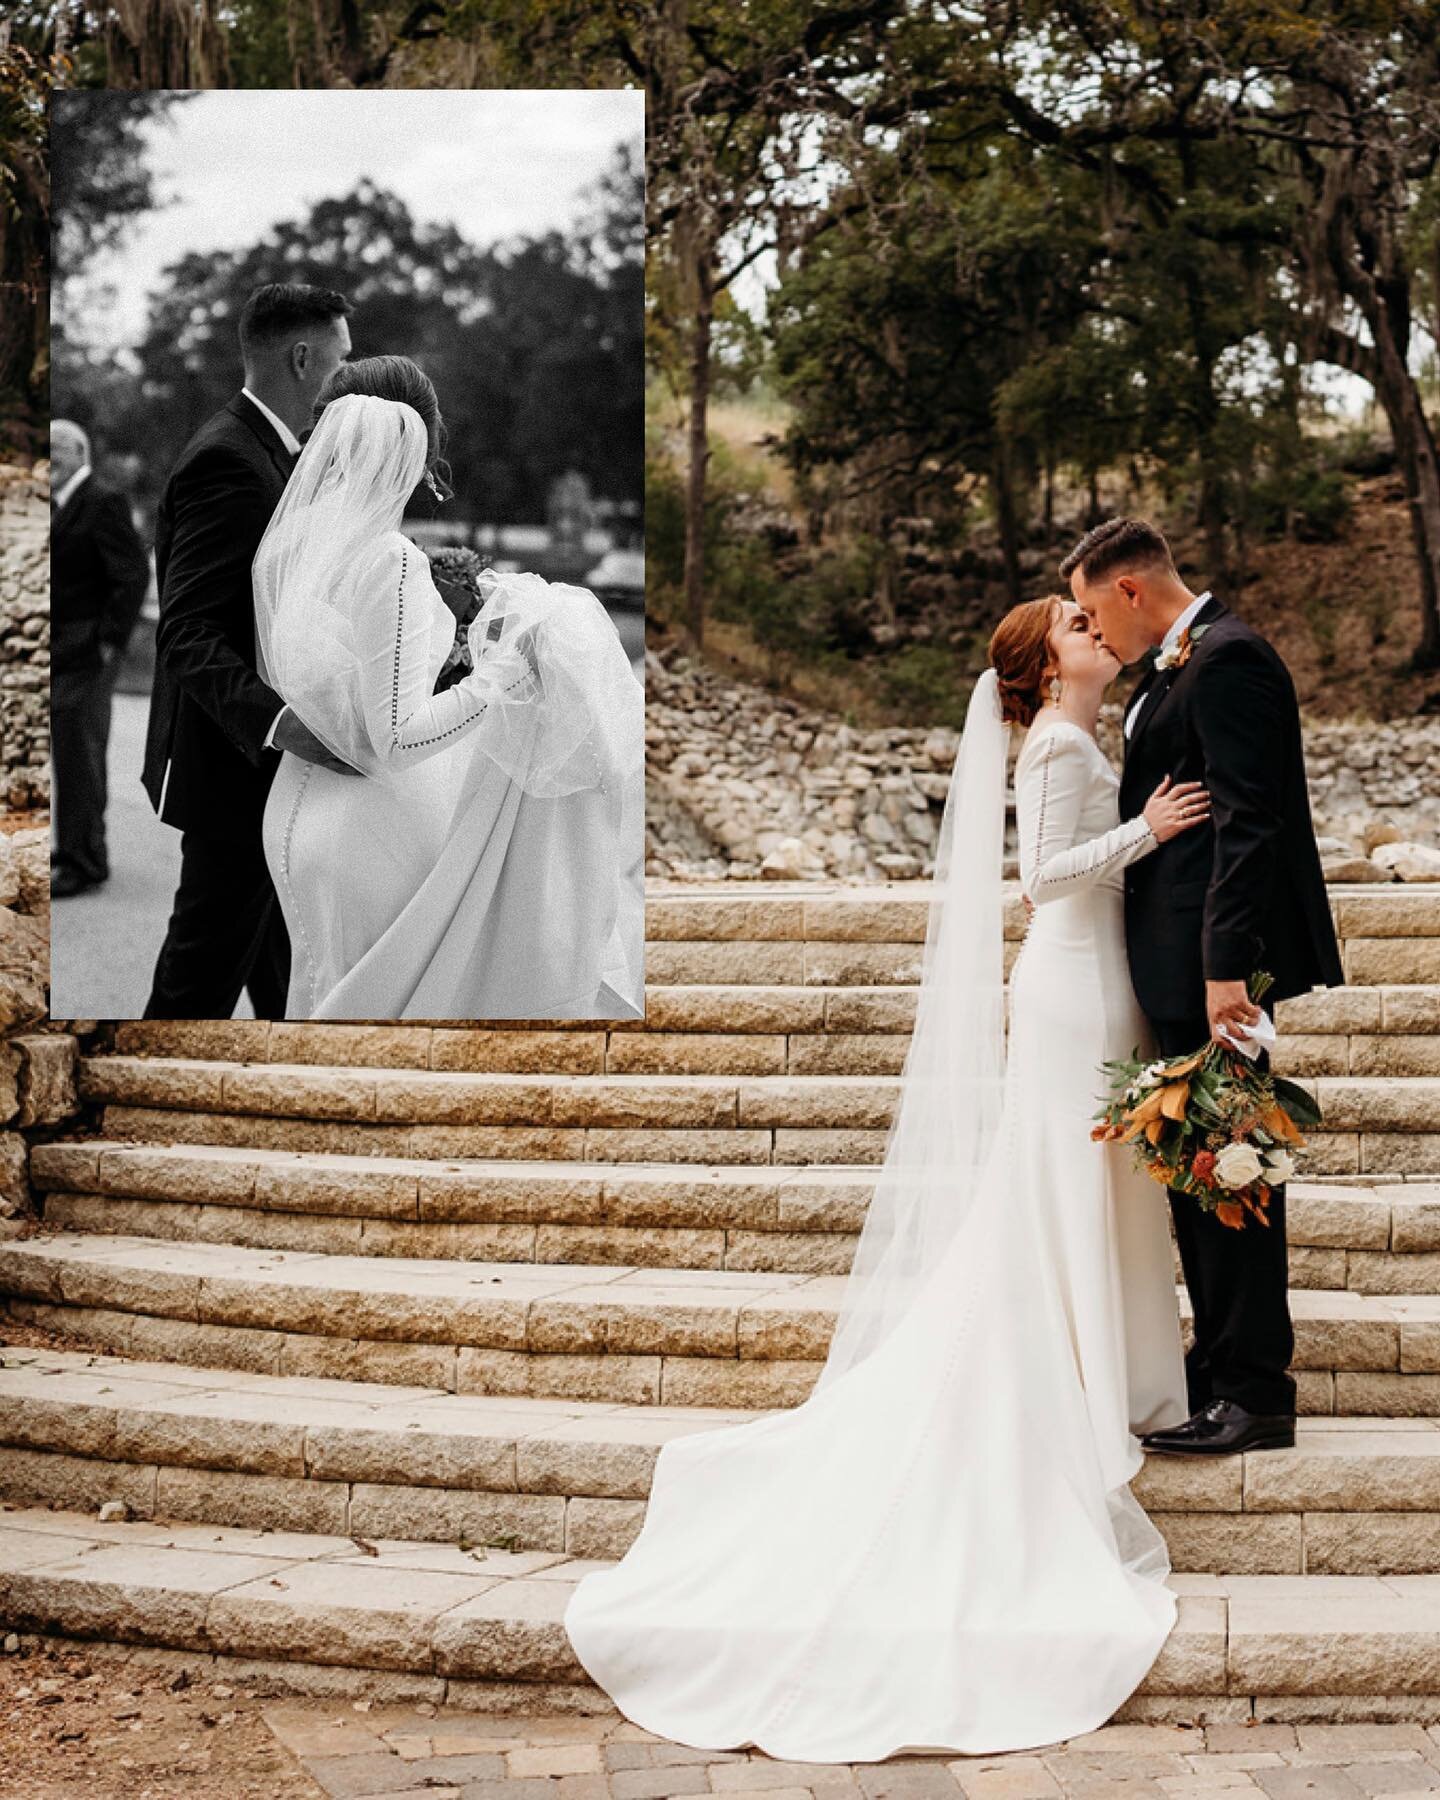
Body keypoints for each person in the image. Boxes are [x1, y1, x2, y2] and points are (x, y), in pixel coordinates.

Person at [562, 595, 1213, 1761]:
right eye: (1073, 620)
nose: (1091, 627)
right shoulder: (1058, 746)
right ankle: (1079, 1387)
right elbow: (1048, 877)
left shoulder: (1076, 739)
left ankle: (1103, 1375)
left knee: (1092, 1196)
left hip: (1096, 985)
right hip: (1071, 989)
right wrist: (1148, 833)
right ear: (1040, 662)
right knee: (1062, 1192)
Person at [1064, 517, 1344, 1456]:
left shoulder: (1229, 660)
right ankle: (1220, 1360)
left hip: (1213, 964)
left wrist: (1227, 968)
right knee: (1198, 1166)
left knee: (1230, 1172)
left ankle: (1256, 1391)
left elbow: (1249, 825)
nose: (1096, 631)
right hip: (1177, 958)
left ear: (1132, 591)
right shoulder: (1176, 669)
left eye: (1098, 609)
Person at [252, 355, 643, 1020]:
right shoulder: (392, 559)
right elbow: (397, 740)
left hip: (293, 813)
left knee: (319, 999)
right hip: (371, 823)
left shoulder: (292, 542)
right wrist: (504, 669)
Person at [141, 283, 358, 1019]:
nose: (345, 377)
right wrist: (280, 724)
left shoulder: (274, 451)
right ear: (303, 358)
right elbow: (188, 631)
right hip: (234, 772)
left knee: (288, 980)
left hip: (264, 774)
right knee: (196, 985)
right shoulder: (227, 460)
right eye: (341, 359)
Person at [49, 420, 150, 898]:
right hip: (61, 651)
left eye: (55, 452)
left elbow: (131, 576)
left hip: (90, 653)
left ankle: (83, 861)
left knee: (80, 756)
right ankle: (73, 846)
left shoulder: (102, 499)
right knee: (69, 755)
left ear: (78, 452)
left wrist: (109, 642)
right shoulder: (56, 503)